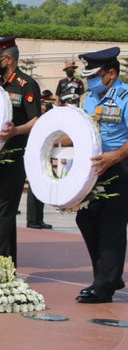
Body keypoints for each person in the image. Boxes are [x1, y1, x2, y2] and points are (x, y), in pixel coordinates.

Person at [74, 46, 128, 304]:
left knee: (111, 226)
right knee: (85, 219)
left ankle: (104, 286)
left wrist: (116, 156)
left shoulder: (126, 96)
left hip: (119, 166)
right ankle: (109, 276)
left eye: (94, 74)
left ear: (111, 73)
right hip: (94, 167)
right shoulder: (88, 98)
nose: (90, 79)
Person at [0, 36, 42, 266]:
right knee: (1, 209)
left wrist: (16, 130)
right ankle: (6, 263)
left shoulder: (26, 85)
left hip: (15, 154)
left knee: (3, 211)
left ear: (8, 59)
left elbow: (36, 119)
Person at [25, 89, 54, 230]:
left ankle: (38, 218)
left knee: (41, 185)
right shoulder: (33, 117)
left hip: (43, 153)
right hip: (33, 153)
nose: (44, 107)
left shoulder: (46, 117)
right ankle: (32, 219)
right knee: (34, 186)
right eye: (42, 103)